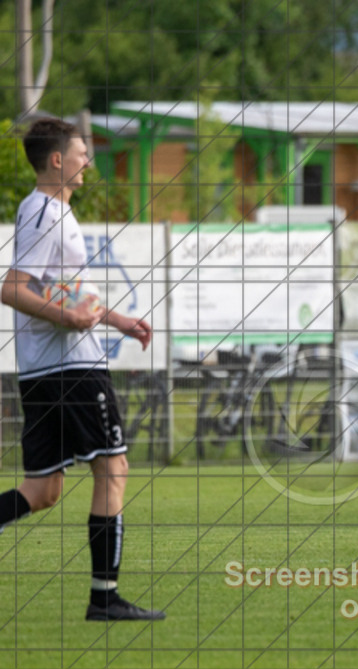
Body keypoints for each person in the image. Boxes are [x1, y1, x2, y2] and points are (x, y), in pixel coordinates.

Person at [0, 118, 163, 620]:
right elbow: (11, 287)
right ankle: (105, 598)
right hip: (71, 368)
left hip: (49, 369)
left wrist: (116, 319)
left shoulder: (54, 212)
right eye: (81, 153)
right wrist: (70, 318)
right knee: (113, 468)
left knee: (43, 490)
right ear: (57, 160)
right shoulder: (45, 212)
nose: (87, 162)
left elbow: (66, 289)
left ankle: (104, 597)